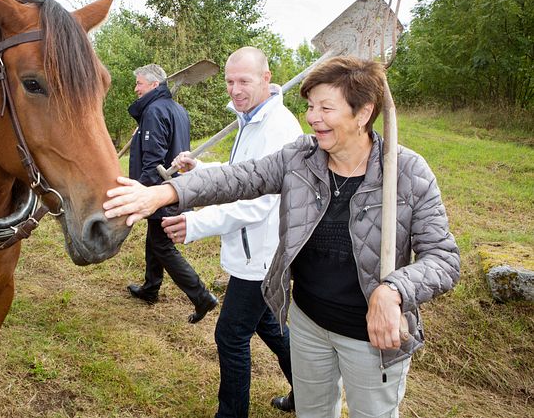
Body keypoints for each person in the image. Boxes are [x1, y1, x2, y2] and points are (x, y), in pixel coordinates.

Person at [104, 56, 461, 418]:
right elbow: (238, 178)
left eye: (325, 108)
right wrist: (165, 193)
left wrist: (394, 289)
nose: (312, 117)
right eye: (310, 106)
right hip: (308, 326)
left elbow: (444, 259)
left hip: (371, 338)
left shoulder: (407, 172)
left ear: (363, 113)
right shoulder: (301, 158)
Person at [162, 47, 302, 416]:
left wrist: (195, 223)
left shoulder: (278, 127)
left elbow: (258, 202)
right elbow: (242, 173)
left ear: (266, 78)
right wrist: (200, 170)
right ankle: (308, 392)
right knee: (269, 326)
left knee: (231, 334)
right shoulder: (251, 118)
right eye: (230, 81)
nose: (235, 89)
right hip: (253, 250)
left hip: (264, 254)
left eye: (244, 81)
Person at [125, 63, 218, 324]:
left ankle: (201, 297)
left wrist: (141, 192)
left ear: (154, 85)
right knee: (155, 239)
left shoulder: (154, 111)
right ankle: (150, 288)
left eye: (139, 84)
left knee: (162, 245)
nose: (136, 89)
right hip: (176, 188)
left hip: (161, 189)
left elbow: (153, 161)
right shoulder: (178, 110)